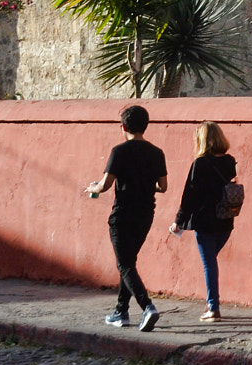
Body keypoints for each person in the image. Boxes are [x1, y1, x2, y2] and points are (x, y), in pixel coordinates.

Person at [84, 104, 167, 330]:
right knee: (129, 263)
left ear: (123, 127)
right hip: (145, 214)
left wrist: (93, 187)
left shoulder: (119, 151)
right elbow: (163, 186)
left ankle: (147, 307)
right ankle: (121, 311)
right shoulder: (157, 152)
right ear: (146, 126)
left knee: (125, 264)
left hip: (123, 214)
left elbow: (106, 184)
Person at [170, 120, 237, 323]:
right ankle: (211, 304)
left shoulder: (200, 164)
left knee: (209, 264)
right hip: (225, 219)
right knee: (211, 261)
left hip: (205, 221)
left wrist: (178, 221)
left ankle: (213, 307)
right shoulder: (229, 161)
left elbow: (189, 195)